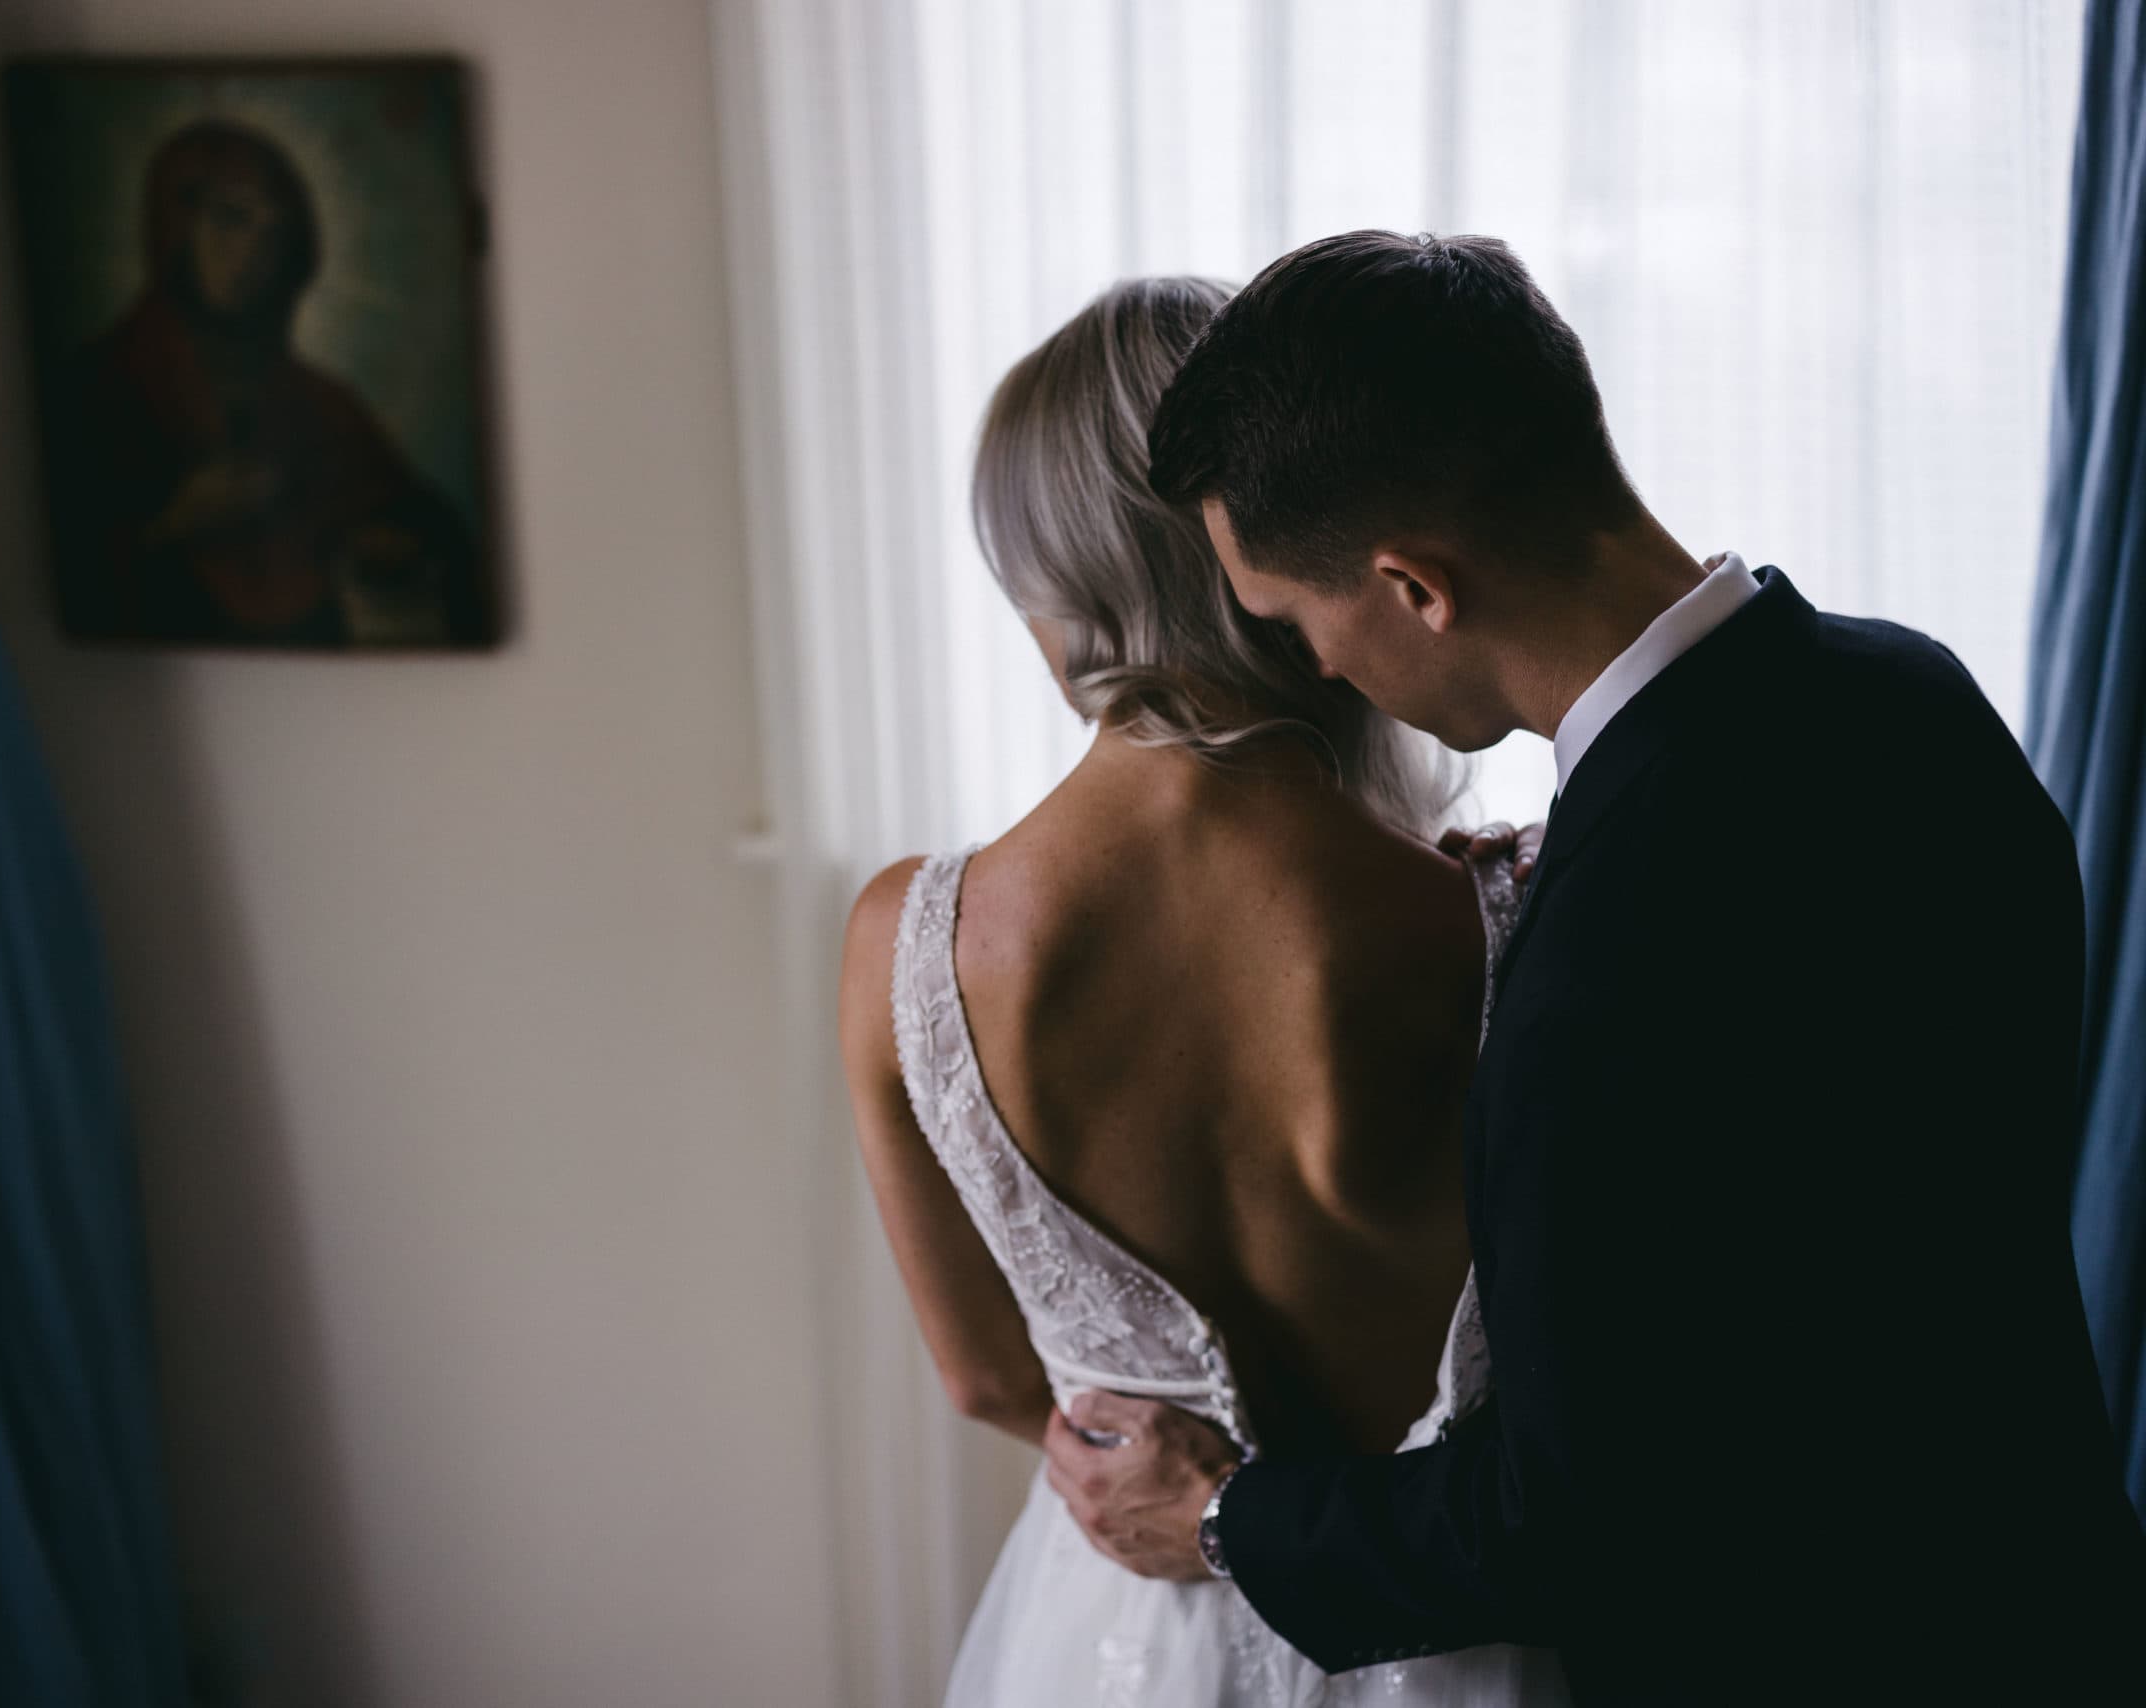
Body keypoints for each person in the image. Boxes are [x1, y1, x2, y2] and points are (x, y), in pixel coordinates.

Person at [1043, 232, 2146, 1700]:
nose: (1307, 674)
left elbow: (1577, 1514)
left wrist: (1229, 1518)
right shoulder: (1913, 694)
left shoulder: (1601, 967)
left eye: (1297, 623)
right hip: (2051, 1601)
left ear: (1414, 587)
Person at [839, 278, 1569, 1706]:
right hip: (1458, 1628)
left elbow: (988, 1380)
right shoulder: (1506, 910)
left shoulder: (907, 943)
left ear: (1053, 593)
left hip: (1132, 1644)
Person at [43, 120, 491, 647]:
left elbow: (434, 534)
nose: (253, 250)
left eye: (273, 231)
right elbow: (77, 576)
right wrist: (172, 524)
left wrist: (390, 546)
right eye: (231, 219)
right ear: (176, 227)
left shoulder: (325, 406)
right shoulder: (95, 388)